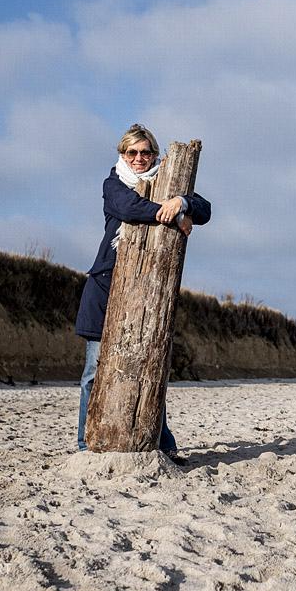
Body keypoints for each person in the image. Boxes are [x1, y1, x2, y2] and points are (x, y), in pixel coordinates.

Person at [74, 124, 211, 461]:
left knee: (150, 366)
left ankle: (162, 443)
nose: (138, 158)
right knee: (94, 372)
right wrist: (175, 214)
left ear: (155, 153)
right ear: (122, 155)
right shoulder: (113, 184)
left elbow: (205, 209)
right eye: (131, 152)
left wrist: (183, 201)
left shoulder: (167, 181)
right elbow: (129, 208)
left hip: (147, 290)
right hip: (106, 286)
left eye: (145, 152)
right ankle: (83, 442)